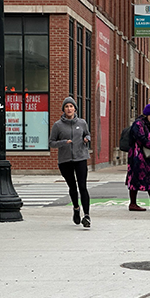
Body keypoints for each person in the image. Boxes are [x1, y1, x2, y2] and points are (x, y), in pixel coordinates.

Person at [49, 97, 92, 228]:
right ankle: (76, 208)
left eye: (71, 106)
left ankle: (87, 216)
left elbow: (88, 134)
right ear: (63, 109)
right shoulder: (58, 125)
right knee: (73, 187)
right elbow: (51, 142)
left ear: (75, 109)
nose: (69, 109)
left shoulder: (82, 122)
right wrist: (63, 143)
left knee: (83, 187)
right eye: (67, 106)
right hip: (65, 160)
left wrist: (86, 139)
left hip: (80, 158)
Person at [125, 104, 150, 211]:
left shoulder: (145, 124)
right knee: (135, 178)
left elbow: (146, 139)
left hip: (146, 157)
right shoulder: (138, 124)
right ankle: (132, 203)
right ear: (147, 114)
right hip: (137, 156)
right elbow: (141, 139)